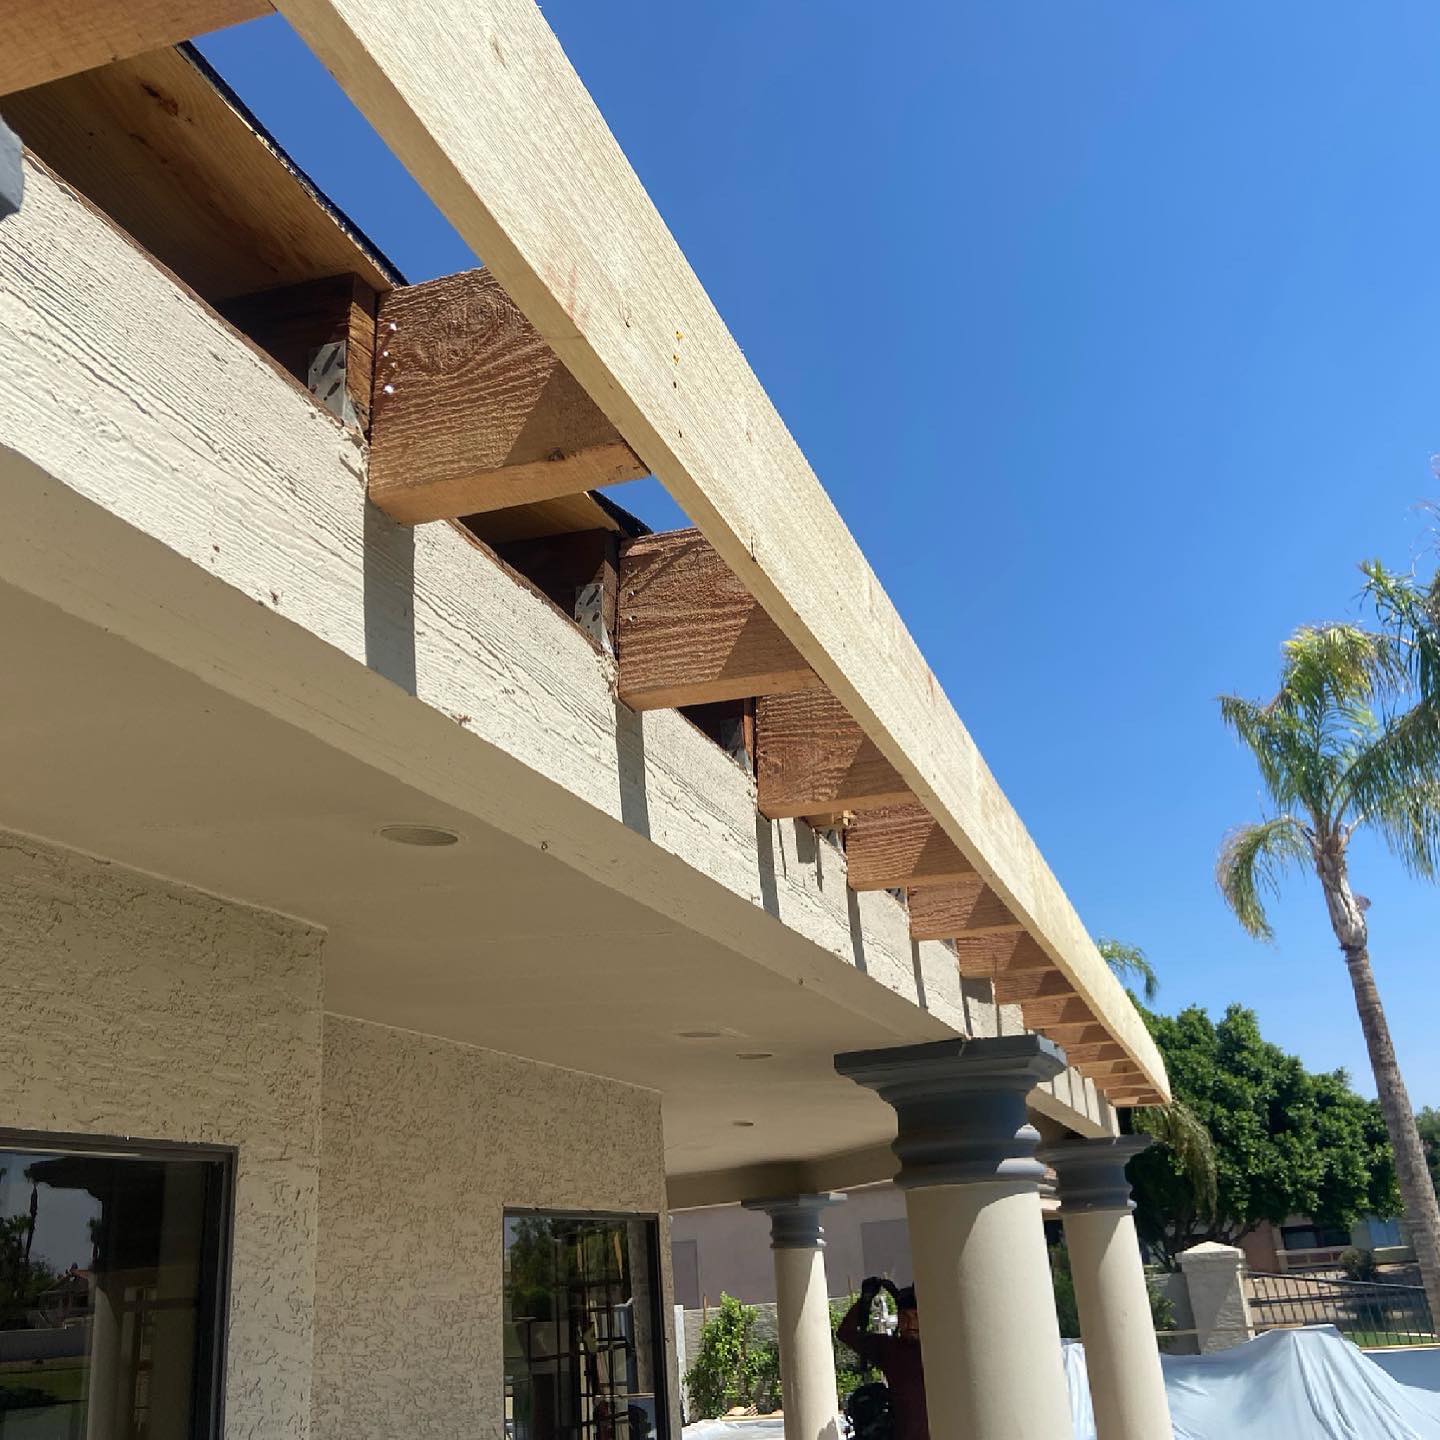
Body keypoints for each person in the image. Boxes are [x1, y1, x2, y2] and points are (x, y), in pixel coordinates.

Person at [837, 1276, 929, 1440]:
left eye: (916, 1316)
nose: (910, 1324)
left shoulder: (944, 1349)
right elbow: (846, 1333)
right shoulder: (891, 1349)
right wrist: (865, 1301)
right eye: (904, 1317)